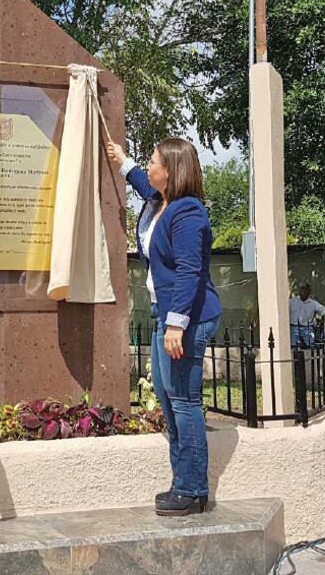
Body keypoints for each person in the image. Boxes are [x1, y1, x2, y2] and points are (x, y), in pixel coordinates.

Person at [107, 138, 221, 517]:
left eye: (154, 161)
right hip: (168, 315)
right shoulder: (162, 202)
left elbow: (189, 271)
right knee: (169, 398)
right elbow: (143, 184)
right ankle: (181, 483)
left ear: (171, 171)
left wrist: (176, 325)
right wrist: (123, 162)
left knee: (184, 401)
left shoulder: (188, 212)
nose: (149, 166)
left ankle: (193, 490)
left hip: (186, 318)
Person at [289, 284, 325, 348]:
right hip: (294, 327)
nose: (304, 291)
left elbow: (324, 311)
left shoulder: (313, 303)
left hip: (307, 328)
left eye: (306, 290)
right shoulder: (292, 302)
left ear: (309, 292)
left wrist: (320, 321)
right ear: (299, 291)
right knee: (294, 346)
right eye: (302, 289)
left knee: (310, 345)